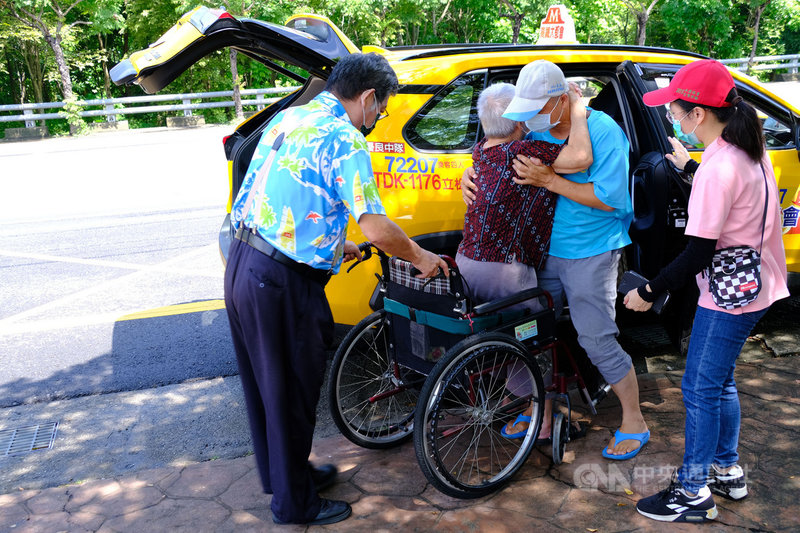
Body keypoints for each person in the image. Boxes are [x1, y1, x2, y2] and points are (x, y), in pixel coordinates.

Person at [224, 53, 448, 526]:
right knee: (292, 388)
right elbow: (379, 228)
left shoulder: (292, 116)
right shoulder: (345, 139)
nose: (378, 119)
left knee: (265, 386)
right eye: (381, 110)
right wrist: (422, 257)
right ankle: (295, 504)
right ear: (368, 98)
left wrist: (328, 242)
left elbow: (268, 191)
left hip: (245, 263)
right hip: (281, 282)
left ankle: (283, 476)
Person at [626, 59, 789, 523]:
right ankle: (726, 468)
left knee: (699, 387)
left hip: (728, 295)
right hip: (755, 282)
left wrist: (650, 290)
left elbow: (697, 253)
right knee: (719, 381)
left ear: (698, 114)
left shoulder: (720, 168)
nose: (673, 118)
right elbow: (729, 193)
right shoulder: (748, 152)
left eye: (675, 111)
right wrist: (691, 164)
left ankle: (693, 492)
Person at [462, 60, 649, 460]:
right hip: (543, 254)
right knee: (532, 334)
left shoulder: (603, 132)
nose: (531, 116)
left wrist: (551, 181)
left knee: (596, 338)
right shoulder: (538, 128)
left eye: (539, 106)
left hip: (591, 252)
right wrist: (470, 176)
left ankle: (634, 419)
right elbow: (498, 154)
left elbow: (610, 200)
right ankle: (540, 410)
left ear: (563, 99)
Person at [456, 81, 593, 443]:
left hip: (467, 261)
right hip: (505, 267)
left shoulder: (480, 151)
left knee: (502, 329)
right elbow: (580, 158)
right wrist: (577, 107)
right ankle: (543, 419)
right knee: (536, 335)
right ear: (519, 123)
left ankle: (522, 400)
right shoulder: (525, 152)